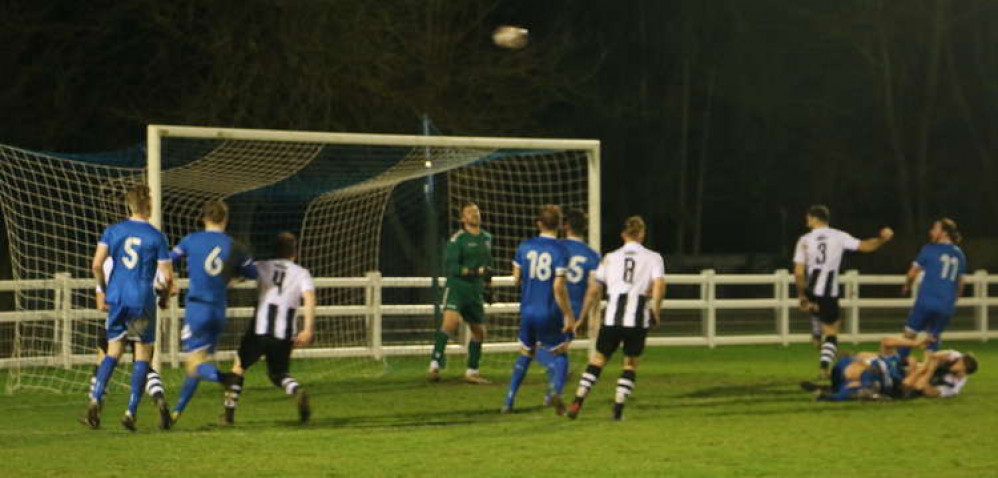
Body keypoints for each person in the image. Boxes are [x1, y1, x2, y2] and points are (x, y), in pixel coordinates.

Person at [83, 184, 174, 431]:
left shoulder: (112, 231)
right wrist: (165, 297)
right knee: (142, 355)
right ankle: (130, 411)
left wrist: (103, 289)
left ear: (129, 205)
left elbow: (96, 264)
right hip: (141, 299)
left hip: (117, 297)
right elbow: (167, 277)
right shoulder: (157, 236)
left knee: (112, 352)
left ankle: (95, 399)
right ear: (149, 206)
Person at [567, 216, 665, 421]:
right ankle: (618, 409)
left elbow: (594, 289)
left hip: (612, 318)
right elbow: (658, 285)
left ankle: (578, 399)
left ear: (623, 235)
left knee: (599, 359)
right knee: (629, 363)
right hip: (637, 319)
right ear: (642, 234)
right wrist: (655, 309)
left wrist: (583, 317)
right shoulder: (653, 257)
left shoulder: (610, 257)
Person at [169, 199, 256, 425]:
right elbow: (254, 272)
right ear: (225, 219)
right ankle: (175, 413)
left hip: (197, 308)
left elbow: (167, 261)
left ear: (203, 218)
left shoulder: (191, 240)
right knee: (197, 364)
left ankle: (225, 378)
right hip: (218, 311)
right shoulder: (234, 246)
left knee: (195, 363)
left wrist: (168, 281)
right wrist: (235, 278)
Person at [223, 232, 316, 425]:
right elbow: (309, 298)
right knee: (278, 374)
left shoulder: (262, 266)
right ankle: (296, 391)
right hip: (283, 334)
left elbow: (235, 279)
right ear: (294, 252)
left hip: (259, 331)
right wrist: (307, 329)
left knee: (239, 367)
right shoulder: (302, 273)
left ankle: (228, 414)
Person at [793, 205, 893, 378]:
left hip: (811, 288)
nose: (807, 221)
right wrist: (882, 239)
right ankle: (824, 367)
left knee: (820, 326)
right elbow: (865, 246)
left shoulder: (804, 240)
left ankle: (816, 329)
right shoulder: (838, 236)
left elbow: (799, 271)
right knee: (832, 331)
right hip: (828, 291)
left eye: (808, 218)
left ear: (815, 219)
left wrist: (802, 295)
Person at [502, 205, 575, 414]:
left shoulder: (524, 246)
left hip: (527, 311)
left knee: (526, 352)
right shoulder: (561, 250)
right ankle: (554, 392)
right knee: (561, 353)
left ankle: (509, 399)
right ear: (559, 225)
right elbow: (558, 287)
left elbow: (516, 278)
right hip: (549, 311)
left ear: (539, 223)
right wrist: (569, 315)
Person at [88, 256, 170, 429]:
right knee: (144, 364)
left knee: (104, 360)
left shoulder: (109, 262)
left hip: (117, 315)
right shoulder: (152, 257)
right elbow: (165, 285)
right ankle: (157, 397)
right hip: (143, 313)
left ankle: (95, 405)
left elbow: (101, 304)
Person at [536, 207, 599, 405]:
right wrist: (585, 316)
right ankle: (553, 393)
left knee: (535, 347)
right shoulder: (593, 255)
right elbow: (593, 289)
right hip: (575, 310)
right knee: (560, 351)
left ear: (565, 226)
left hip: (552, 304)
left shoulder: (555, 247)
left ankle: (553, 384)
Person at [428, 201, 494, 384]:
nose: (474, 214)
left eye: (476, 211)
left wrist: (488, 286)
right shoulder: (458, 240)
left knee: (479, 332)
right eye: (470, 212)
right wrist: (473, 272)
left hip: (474, 291)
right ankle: (434, 364)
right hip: (458, 287)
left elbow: (487, 265)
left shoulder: (487, 238)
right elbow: (452, 266)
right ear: (463, 218)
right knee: (450, 322)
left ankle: (472, 371)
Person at [898, 218, 967, 361]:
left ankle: (898, 365)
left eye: (935, 228)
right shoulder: (959, 254)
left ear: (944, 233)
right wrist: (953, 301)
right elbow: (960, 284)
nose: (931, 231)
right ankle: (928, 370)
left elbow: (912, 273)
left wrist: (907, 286)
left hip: (927, 300)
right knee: (933, 337)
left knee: (909, 334)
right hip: (946, 305)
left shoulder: (929, 249)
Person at [801, 335, 929, 401]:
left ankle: (829, 394)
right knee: (862, 366)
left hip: (866, 378)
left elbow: (907, 387)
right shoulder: (892, 358)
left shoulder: (901, 379)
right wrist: (916, 344)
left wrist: (918, 370)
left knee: (862, 376)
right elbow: (886, 341)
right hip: (851, 369)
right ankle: (831, 391)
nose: (914, 361)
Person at [901, 349, 978, 398]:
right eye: (959, 361)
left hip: (925, 382)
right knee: (912, 362)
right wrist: (926, 366)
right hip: (923, 370)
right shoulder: (955, 356)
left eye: (960, 365)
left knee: (916, 385)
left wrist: (930, 371)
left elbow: (928, 391)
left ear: (964, 373)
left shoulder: (953, 387)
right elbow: (932, 355)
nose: (957, 363)